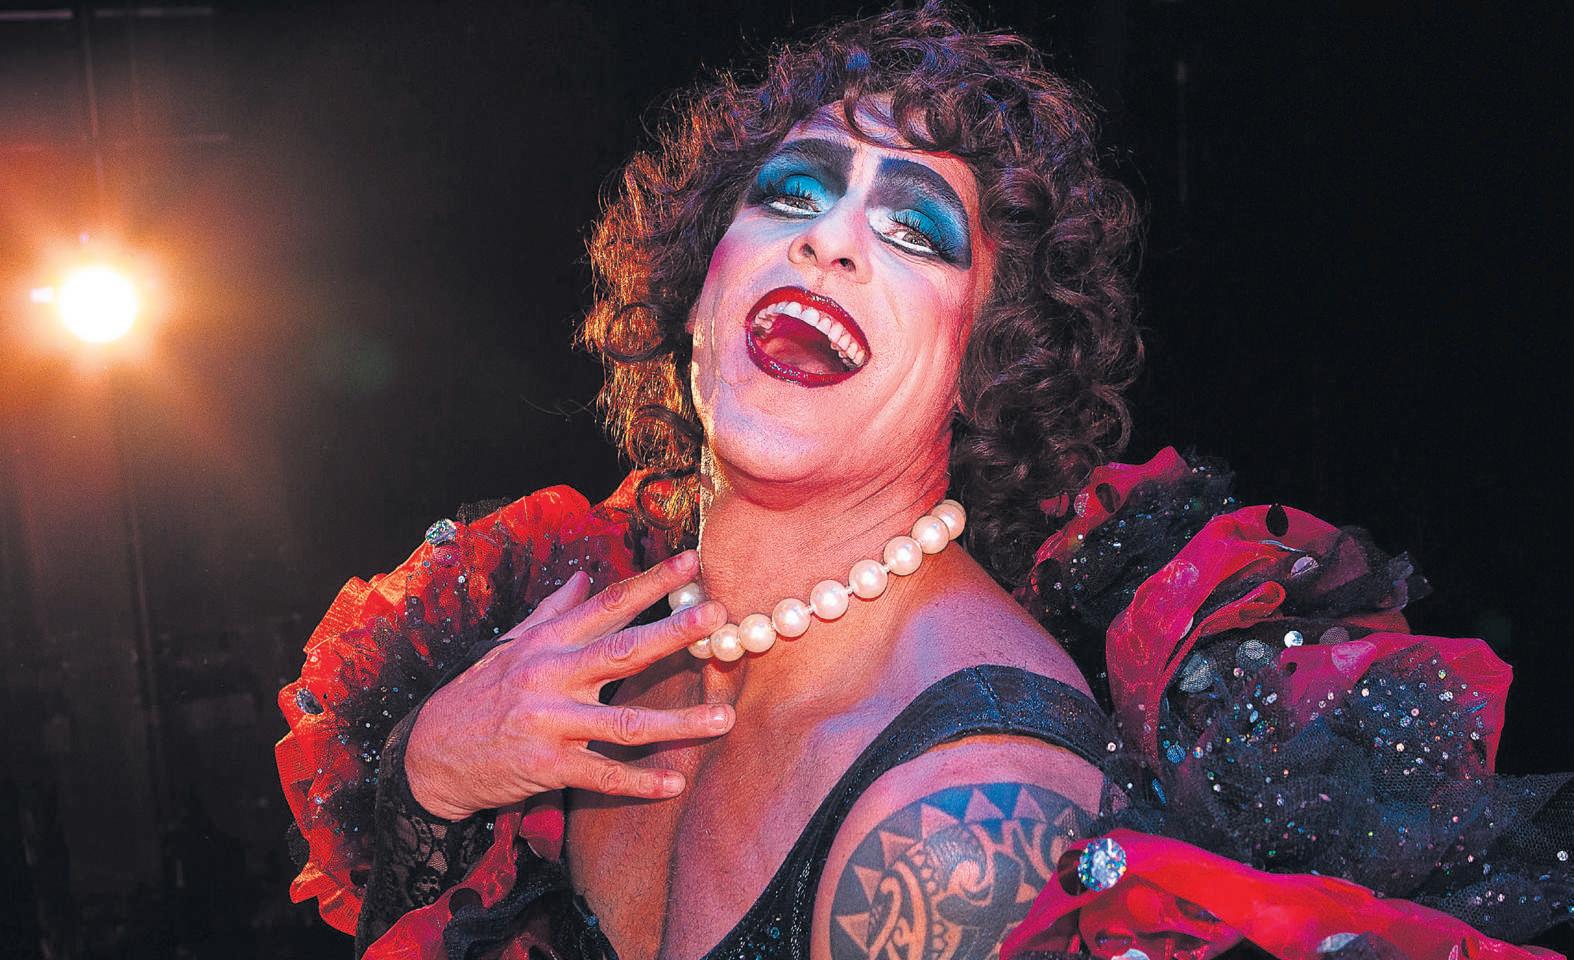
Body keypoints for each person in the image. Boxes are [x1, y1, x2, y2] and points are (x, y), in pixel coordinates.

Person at [275, 4, 1572, 959]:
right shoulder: (593, 627)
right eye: (791, 193)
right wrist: (433, 777)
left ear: (983, 362)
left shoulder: (958, 813)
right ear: (697, 286)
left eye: (914, 229)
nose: (830, 239)